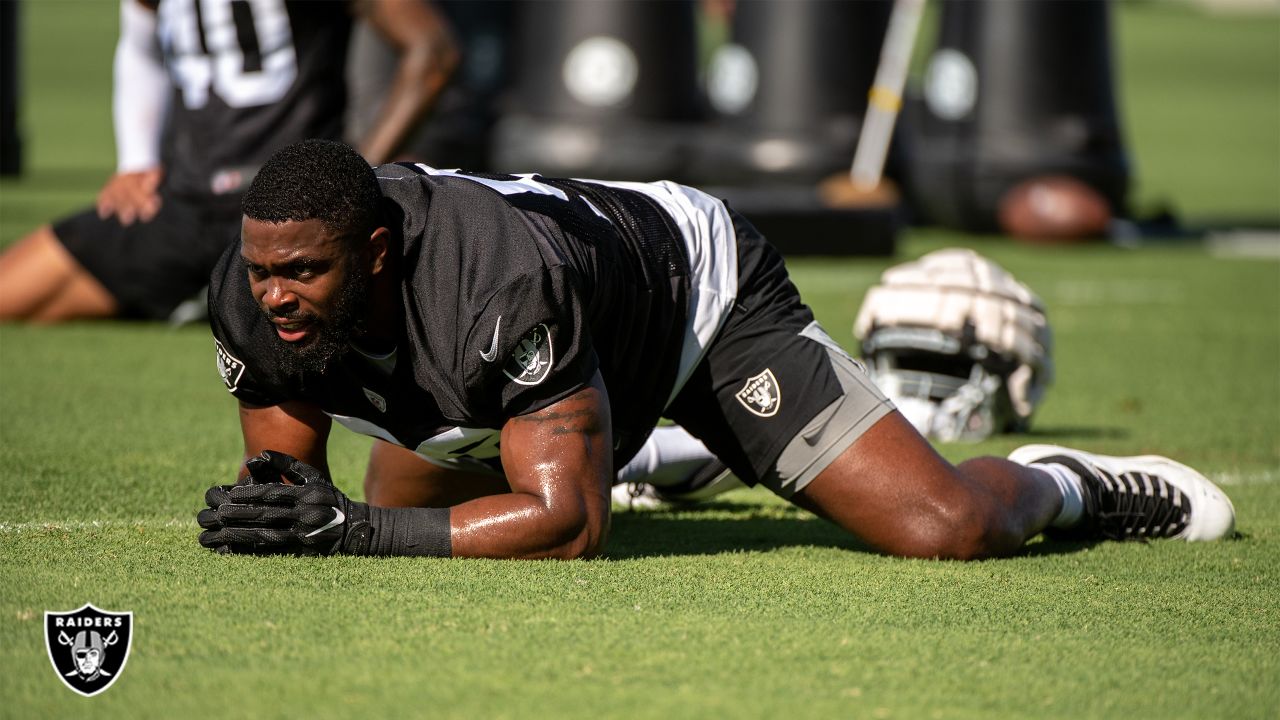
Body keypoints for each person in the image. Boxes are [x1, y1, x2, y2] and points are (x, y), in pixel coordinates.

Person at [196, 139, 1236, 560]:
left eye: (306, 275)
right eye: (262, 273)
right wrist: (289, 510)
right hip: (536, 359)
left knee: (939, 527)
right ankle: (652, 450)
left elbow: (567, 528)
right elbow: (286, 490)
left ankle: (1066, 486)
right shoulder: (248, 297)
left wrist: (357, 531)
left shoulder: (496, 285)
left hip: (696, 302)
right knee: (429, 501)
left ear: (377, 253)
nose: (275, 298)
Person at [0, 0, 457, 323]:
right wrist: (135, 161)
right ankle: (203, 297)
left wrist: (349, 175)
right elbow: (141, 45)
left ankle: (212, 297)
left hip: (292, 221)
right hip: (180, 204)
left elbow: (432, 52)